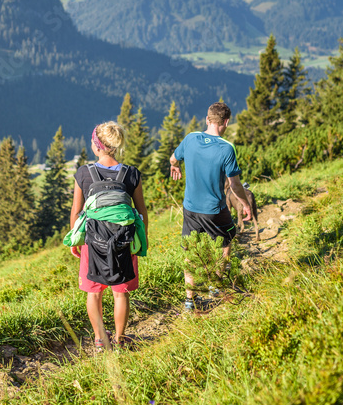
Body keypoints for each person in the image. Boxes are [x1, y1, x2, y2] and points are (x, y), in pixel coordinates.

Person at [70, 121, 149, 351]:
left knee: (93, 293)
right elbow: (141, 211)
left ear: (97, 146)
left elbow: (76, 211)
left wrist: (77, 240)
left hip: (92, 242)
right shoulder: (131, 174)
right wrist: (141, 240)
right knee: (120, 293)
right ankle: (120, 339)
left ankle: (99, 340)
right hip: (124, 240)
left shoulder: (84, 174)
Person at [169, 102, 253, 311]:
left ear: (207, 119)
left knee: (190, 250)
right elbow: (234, 184)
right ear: (226, 122)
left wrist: (175, 166)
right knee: (225, 243)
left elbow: (173, 158)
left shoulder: (190, 139)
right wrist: (245, 204)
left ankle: (190, 300)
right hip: (214, 210)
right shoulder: (226, 148)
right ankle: (215, 286)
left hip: (190, 208)